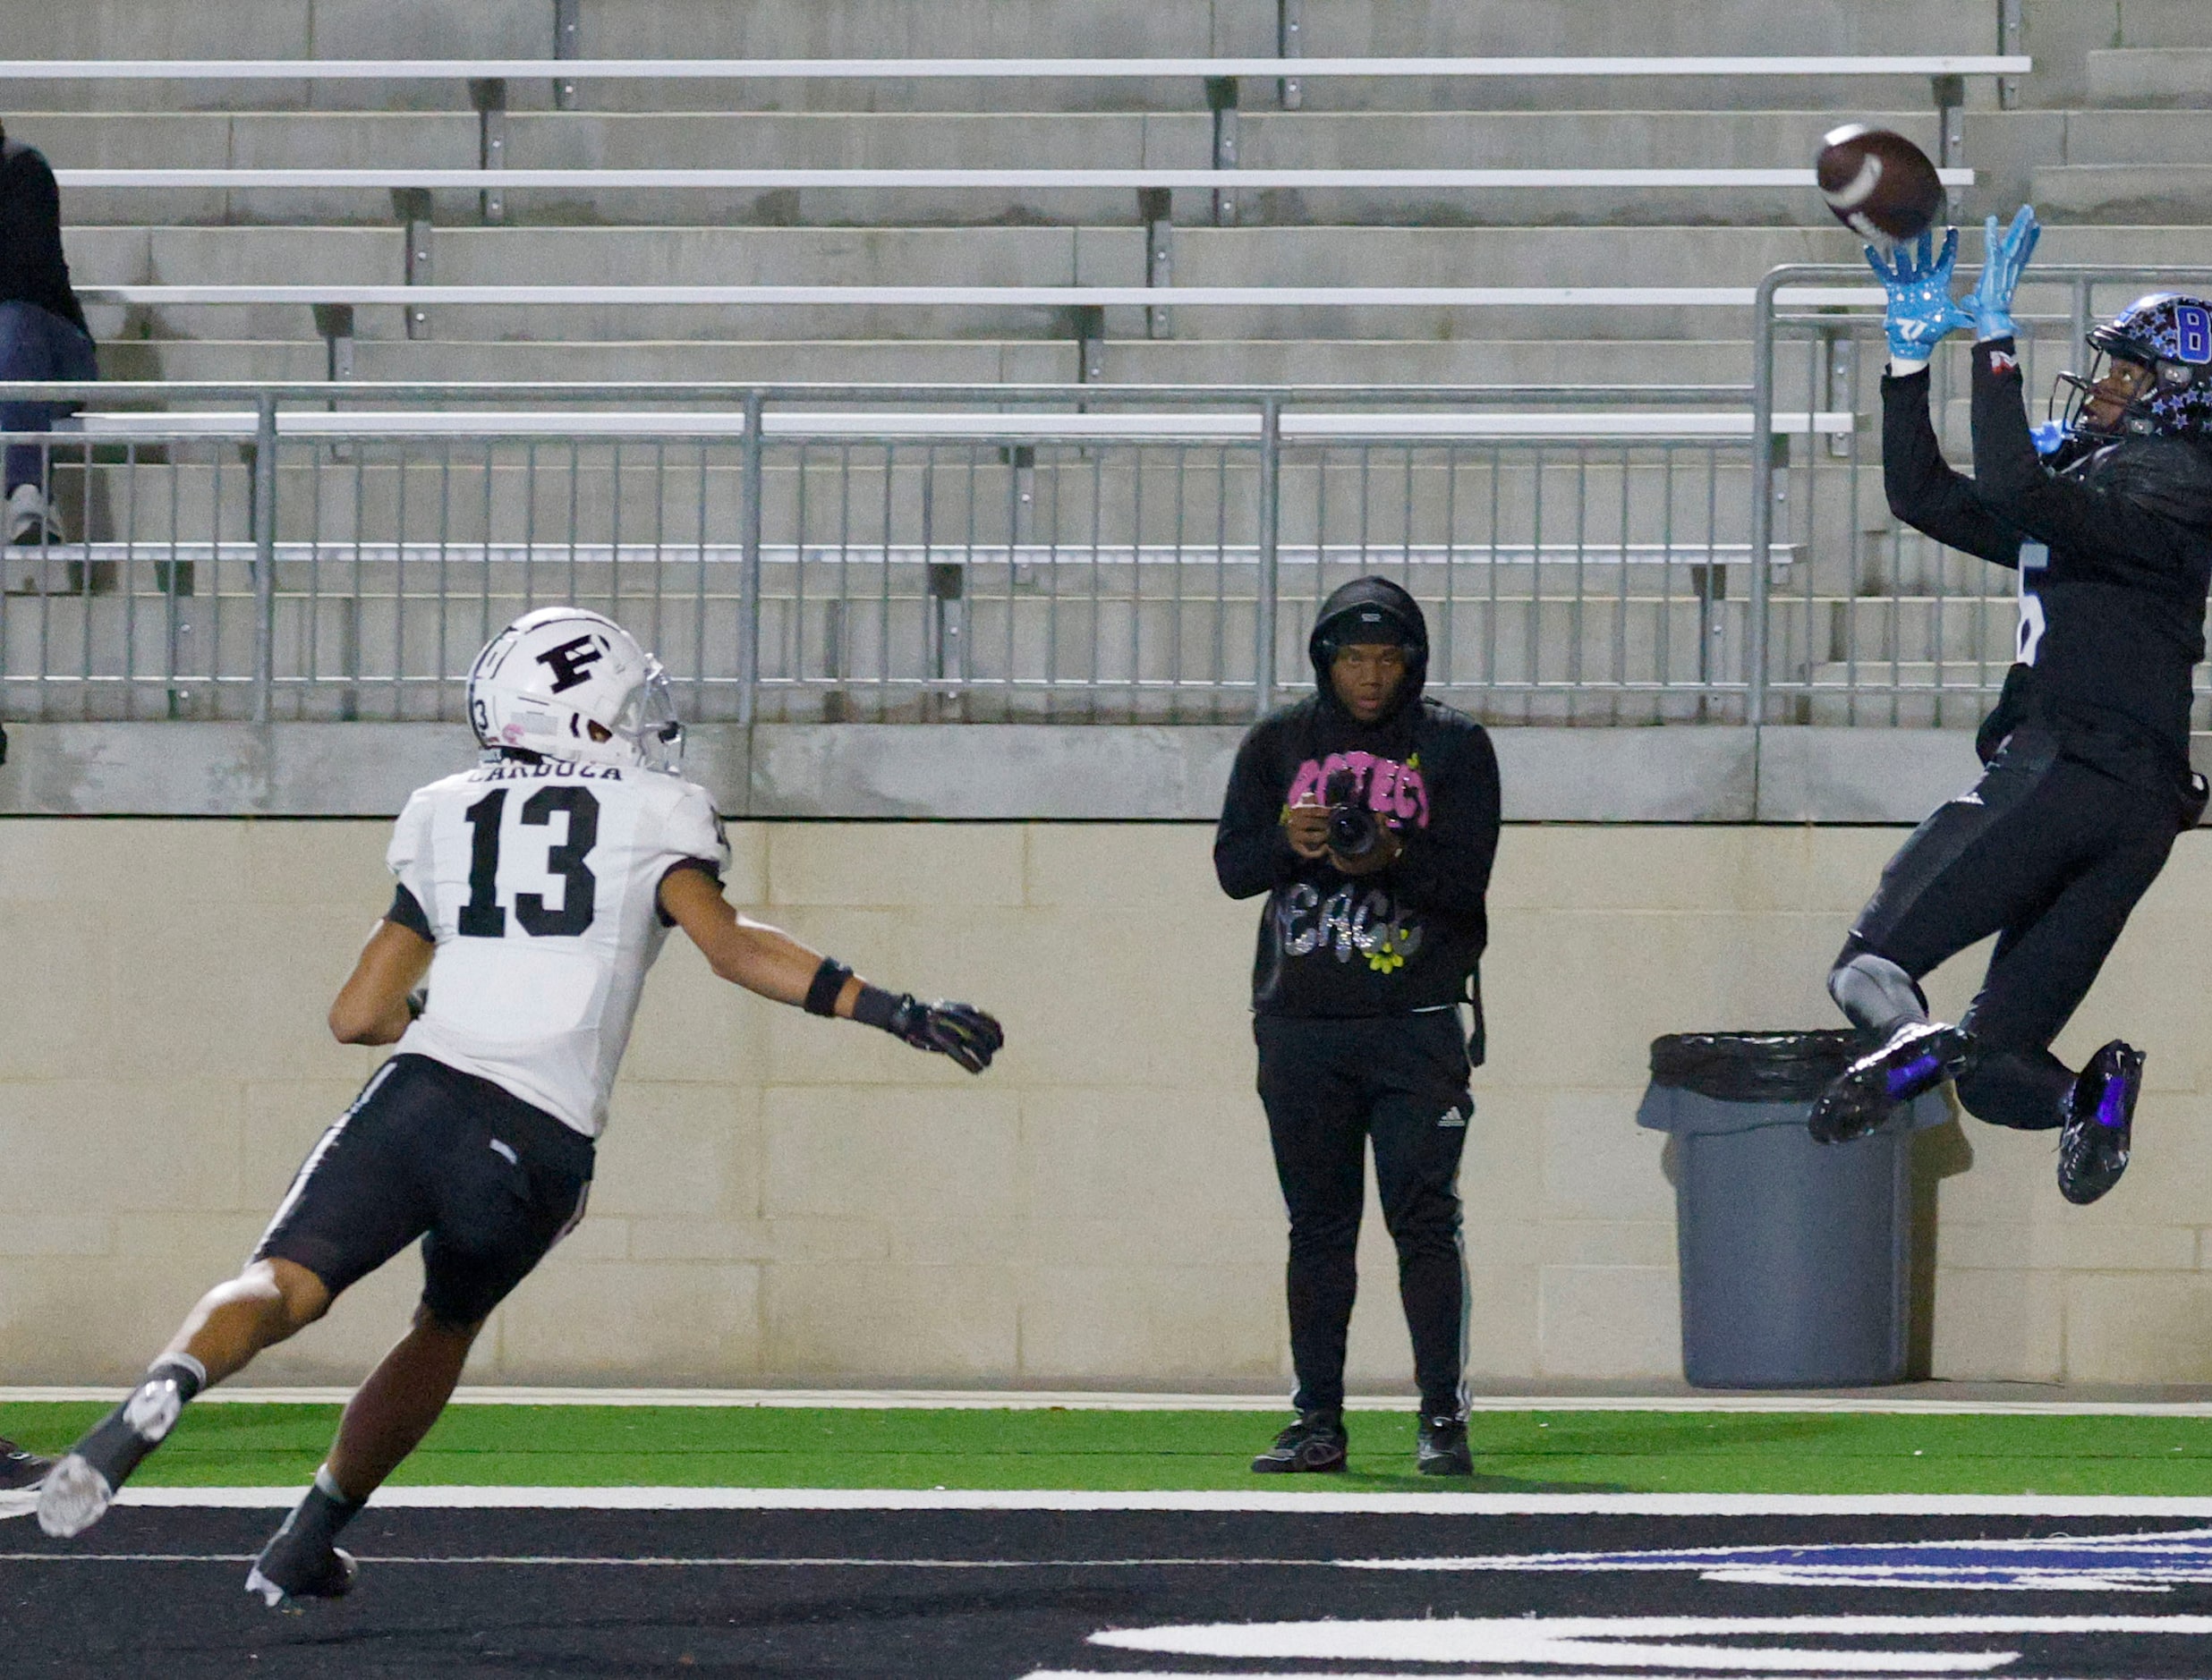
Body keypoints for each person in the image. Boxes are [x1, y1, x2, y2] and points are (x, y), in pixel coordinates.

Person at [34, 607, 1004, 1603]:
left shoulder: (445, 808)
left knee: (280, 1285)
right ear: (578, 715)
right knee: (442, 1327)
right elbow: (732, 947)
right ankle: (307, 1534)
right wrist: (896, 1011)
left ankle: (164, 1391)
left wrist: (441, 1004)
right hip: (541, 1138)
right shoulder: (657, 810)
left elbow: (355, 1014)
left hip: (423, 1090)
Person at [1808, 206, 2212, 1206]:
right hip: (2137, 814)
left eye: (2130, 374)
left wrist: (1997, 343)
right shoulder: (2130, 496)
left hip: (2065, 769)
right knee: (2000, 1064)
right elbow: (1924, 497)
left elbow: (2011, 475)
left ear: (2182, 402)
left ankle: (1903, 1045)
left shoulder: (2166, 484)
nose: (2105, 386)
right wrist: (1906, 364)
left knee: (1868, 969)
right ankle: (2093, 1102)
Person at [1213, 577, 1500, 1477]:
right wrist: (1287, 844)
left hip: (1414, 1023)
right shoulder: (1276, 742)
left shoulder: (1454, 747)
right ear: (1324, 661)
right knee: (1318, 1227)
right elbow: (1230, 869)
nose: (1369, 675)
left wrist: (1391, 853)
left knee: (1424, 1218)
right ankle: (1317, 1421)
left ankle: (1442, 1419)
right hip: (1301, 1023)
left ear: (1411, 662)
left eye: (1386, 657)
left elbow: (1465, 885)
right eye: (1351, 657)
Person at [0, 120, 98, 547]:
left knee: (14, 322)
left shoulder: (23, 170)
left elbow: (25, 278)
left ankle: (29, 492)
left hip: (54, 357)